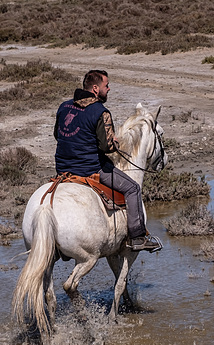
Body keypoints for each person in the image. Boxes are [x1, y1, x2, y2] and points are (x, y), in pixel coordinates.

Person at [53, 69, 162, 252]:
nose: (109, 89)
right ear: (95, 88)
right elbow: (107, 148)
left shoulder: (64, 107)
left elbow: (58, 135)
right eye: (106, 85)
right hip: (90, 169)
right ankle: (137, 237)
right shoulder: (100, 112)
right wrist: (113, 142)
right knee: (133, 188)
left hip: (63, 168)